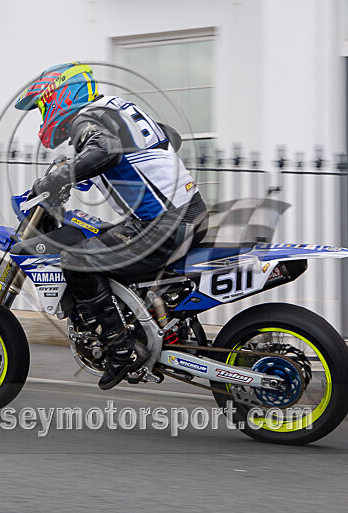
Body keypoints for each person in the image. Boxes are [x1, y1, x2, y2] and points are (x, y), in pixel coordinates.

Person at [15, 62, 208, 390]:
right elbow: (167, 138)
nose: (43, 117)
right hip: (189, 214)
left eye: (44, 107)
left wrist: (60, 176)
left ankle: (121, 348)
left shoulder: (86, 119)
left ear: (61, 96)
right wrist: (81, 168)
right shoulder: (115, 108)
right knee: (101, 237)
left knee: (77, 259)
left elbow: (105, 150)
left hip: (165, 225)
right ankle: (154, 321)